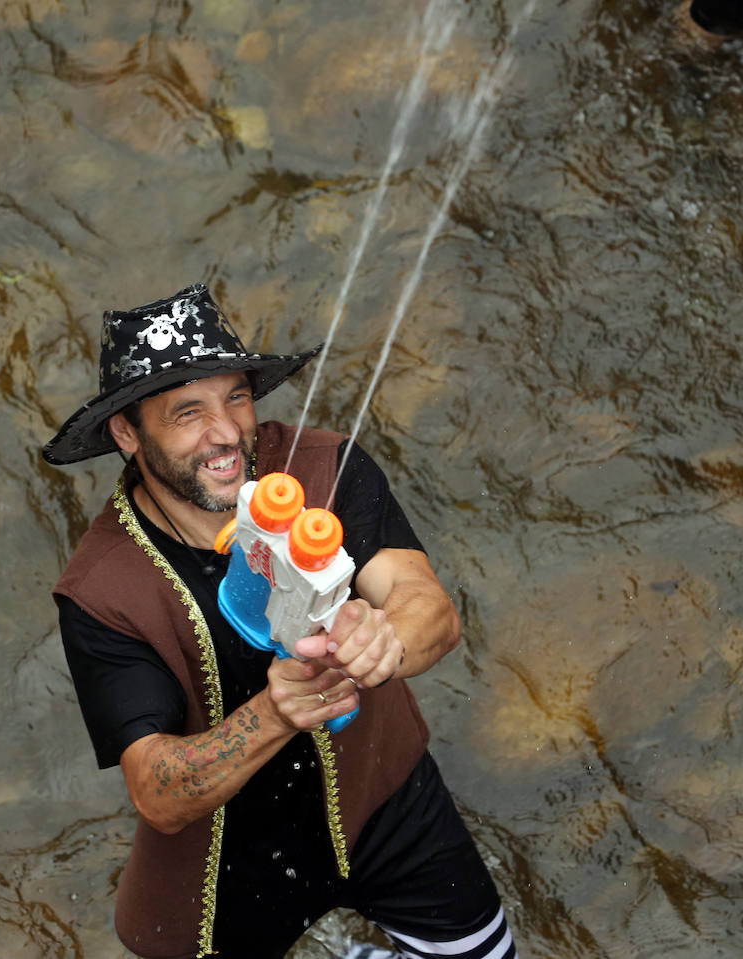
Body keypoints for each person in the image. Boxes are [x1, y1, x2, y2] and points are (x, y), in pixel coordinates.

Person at [43, 283, 518, 959]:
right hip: (224, 876)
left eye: (236, 395)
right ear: (127, 432)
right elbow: (157, 790)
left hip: (383, 800)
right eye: (187, 412)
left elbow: (430, 609)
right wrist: (276, 711)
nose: (227, 432)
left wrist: (388, 639)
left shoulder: (325, 467)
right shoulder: (102, 591)